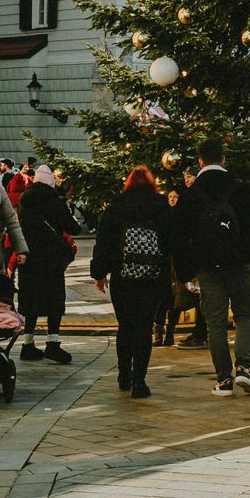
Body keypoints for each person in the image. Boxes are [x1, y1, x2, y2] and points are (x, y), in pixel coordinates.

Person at [183, 139, 250, 397]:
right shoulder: (242, 188)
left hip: (207, 267)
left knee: (215, 322)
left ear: (200, 161)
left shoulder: (192, 193)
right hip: (241, 264)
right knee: (244, 316)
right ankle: (243, 368)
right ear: (223, 159)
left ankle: (223, 380)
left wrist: (187, 271)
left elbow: (179, 234)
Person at [90, 166, 172, 398]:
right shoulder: (160, 204)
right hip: (152, 275)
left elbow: (103, 240)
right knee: (144, 326)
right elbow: (170, 239)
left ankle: (124, 374)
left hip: (122, 274)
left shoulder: (117, 205)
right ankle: (140, 382)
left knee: (125, 324)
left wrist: (99, 273)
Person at [16, 167, 82, 365]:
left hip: (28, 258)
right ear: (51, 182)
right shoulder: (55, 201)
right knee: (54, 300)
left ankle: (27, 344)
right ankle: (53, 343)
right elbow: (74, 228)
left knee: (30, 299)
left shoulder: (23, 201)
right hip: (51, 259)